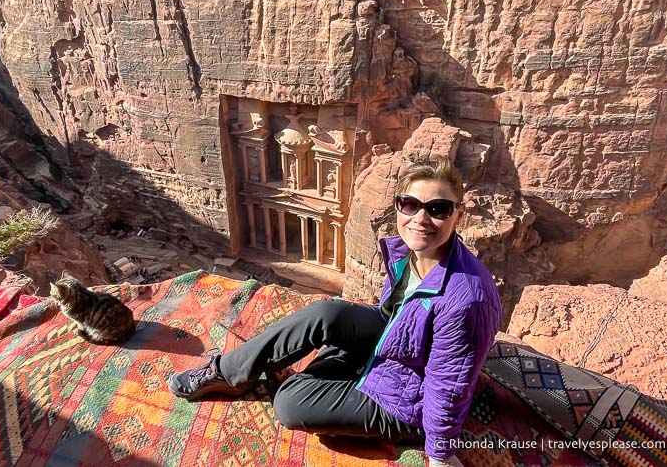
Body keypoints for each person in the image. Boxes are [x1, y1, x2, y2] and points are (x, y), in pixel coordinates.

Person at [168, 157, 501, 466]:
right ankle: (228, 373)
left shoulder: (467, 299)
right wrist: (350, 328)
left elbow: (449, 382)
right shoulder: (409, 252)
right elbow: (396, 310)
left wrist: (439, 454)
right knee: (326, 314)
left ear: (459, 214)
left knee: (289, 403)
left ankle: (397, 423)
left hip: (409, 395)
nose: (420, 219)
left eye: (438, 209)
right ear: (399, 205)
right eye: (410, 204)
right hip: (394, 339)